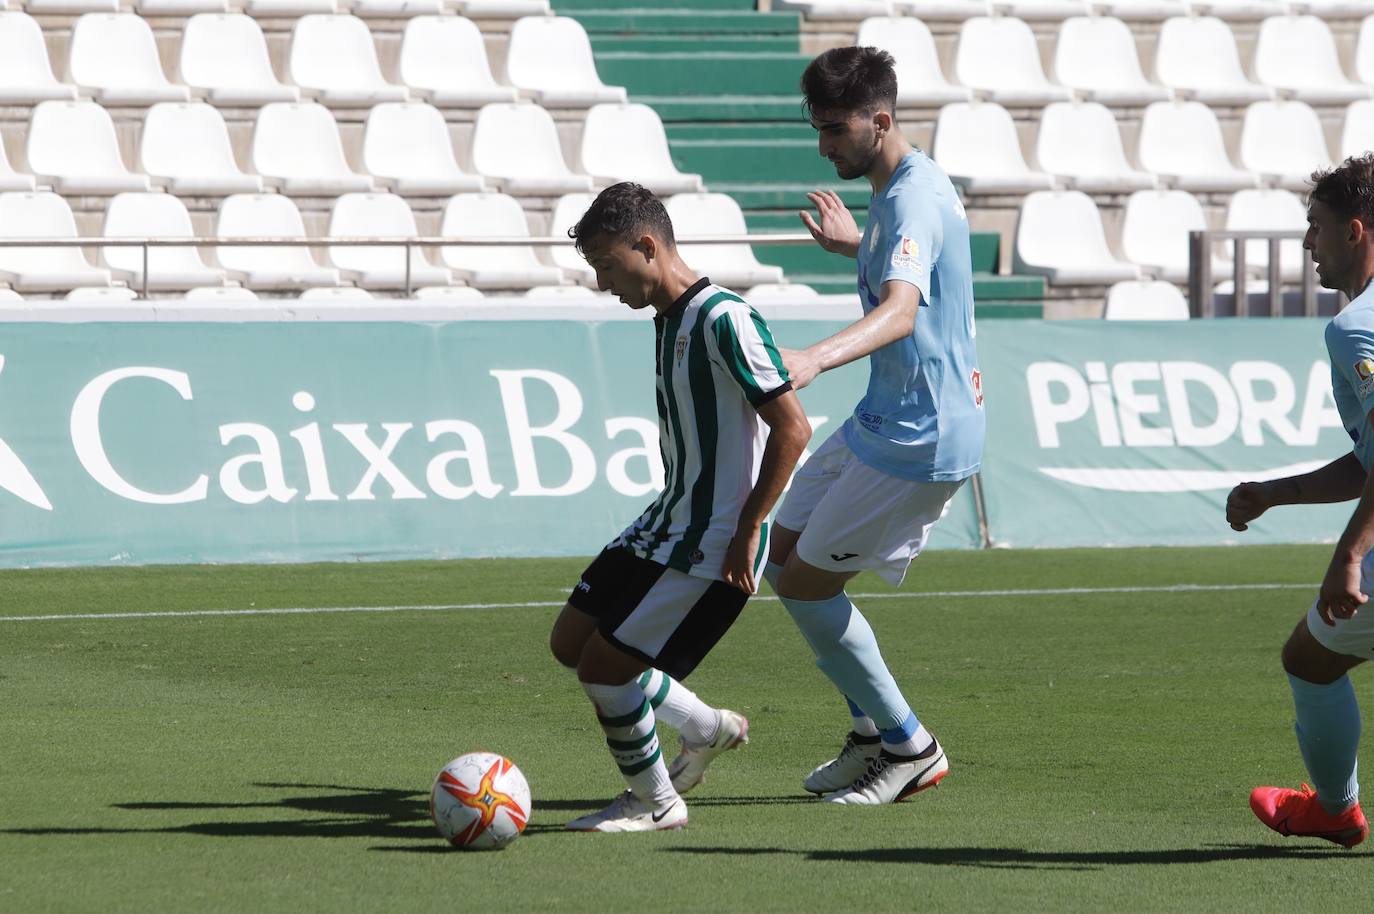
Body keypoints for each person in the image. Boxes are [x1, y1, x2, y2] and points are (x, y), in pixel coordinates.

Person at [548, 181, 812, 832]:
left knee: (605, 670)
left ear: (646, 246)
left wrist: (749, 528)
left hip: (708, 541)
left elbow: (793, 428)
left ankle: (655, 802)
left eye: (608, 266)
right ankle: (705, 726)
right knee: (571, 643)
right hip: (665, 521)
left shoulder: (724, 317)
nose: (605, 284)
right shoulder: (670, 316)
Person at [760, 46, 985, 806]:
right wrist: (857, 245)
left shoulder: (915, 196)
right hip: (882, 419)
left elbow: (900, 310)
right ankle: (868, 734)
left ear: (879, 121)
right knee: (782, 554)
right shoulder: (897, 192)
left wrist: (817, 358)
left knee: (806, 588)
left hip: (922, 435)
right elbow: (922, 263)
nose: (824, 147)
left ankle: (910, 746)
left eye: (833, 130)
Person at [1225, 154, 1374, 850]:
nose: (1307, 244)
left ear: (1356, 231)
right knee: (1311, 657)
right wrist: (1277, 494)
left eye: (1315, 228)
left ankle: (1335, 810)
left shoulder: (1357, 328)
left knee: (1310, 661)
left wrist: (1350, 553)